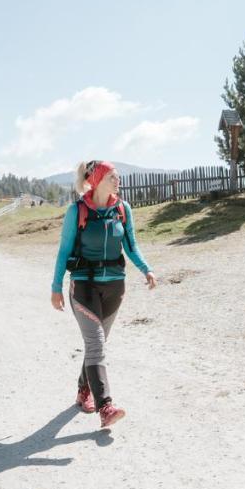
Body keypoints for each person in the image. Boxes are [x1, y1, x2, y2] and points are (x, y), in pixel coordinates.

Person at [51, 160, 156, 429]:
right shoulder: (77, 211)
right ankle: (105, 406)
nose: (117, 180)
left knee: (95, 344)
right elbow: (64, 251)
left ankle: (83, 391)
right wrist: (55, 288)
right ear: (96, 180)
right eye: (112, 176)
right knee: (96, 343)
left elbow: (131, 245)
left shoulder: (123, 209)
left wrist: (146, 270)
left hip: (114, 288)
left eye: (117, 176)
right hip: (83, 285)